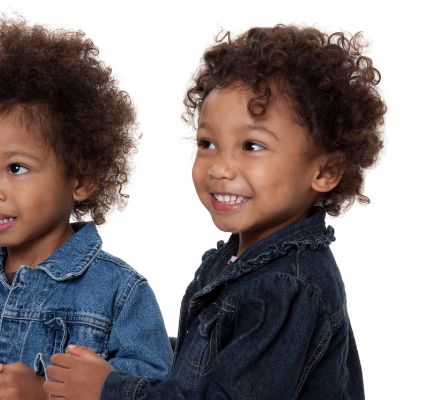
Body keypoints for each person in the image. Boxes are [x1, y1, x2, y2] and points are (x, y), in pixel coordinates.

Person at [45, 24, 386, 400]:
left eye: (251, 145)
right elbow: (208, 367)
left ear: (325, 171)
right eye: (207, 143)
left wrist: (110, 389)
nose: (219, 168)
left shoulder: (285, 288)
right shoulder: (237, 260)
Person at [0, 16, 173, 400]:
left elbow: (154, 393)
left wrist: (45, 393)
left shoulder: (120, 295)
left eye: (16, 168)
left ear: (81, 179)